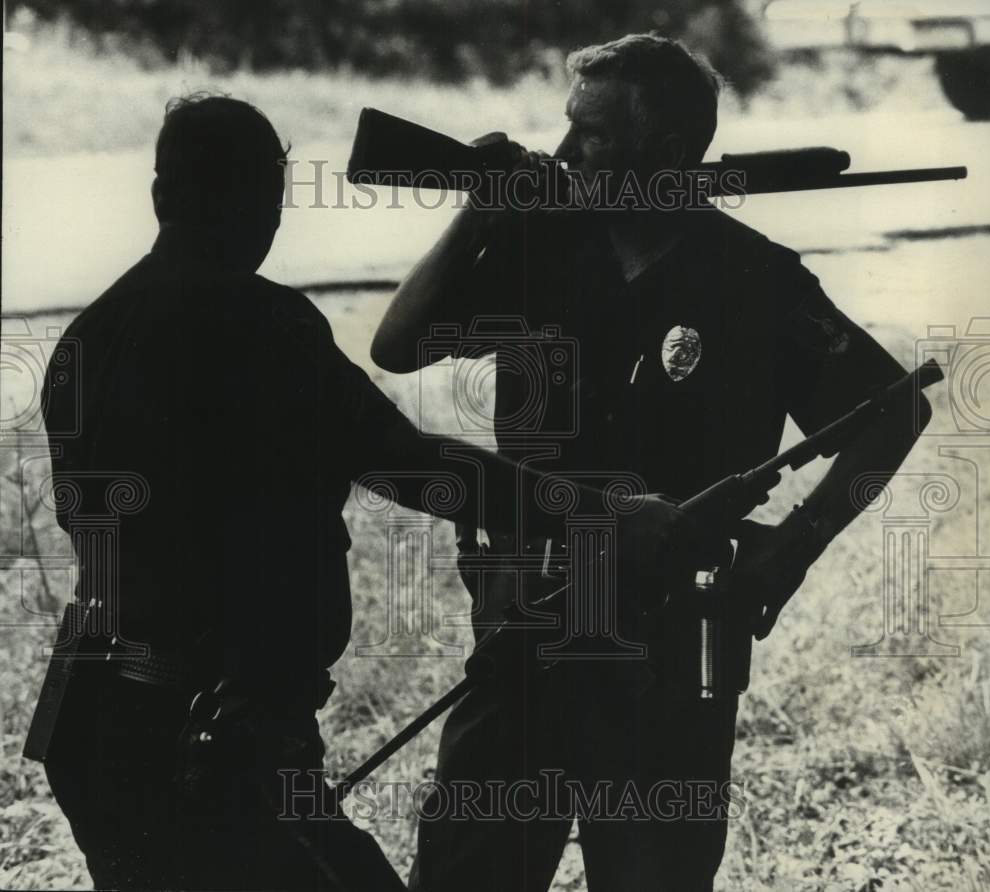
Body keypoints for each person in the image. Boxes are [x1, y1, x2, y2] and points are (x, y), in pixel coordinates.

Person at [24, 93, 683, 892]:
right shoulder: (261, 323)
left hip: (99, 721)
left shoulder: (91, 333)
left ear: (161, 193)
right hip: (208, 733)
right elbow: (411, 464)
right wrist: (600, 514)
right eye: (262, 195)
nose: (268, 220)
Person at [371, 34, 933, 892]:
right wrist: (480, 211)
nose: (562, 154)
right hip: (528, 626)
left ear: (664, 150)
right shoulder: (541, 251)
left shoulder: (753, 279)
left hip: (671, 644)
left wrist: (797, 544)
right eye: (566, 129)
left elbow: (896, 410)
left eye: (589, 135)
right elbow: (399, 344)